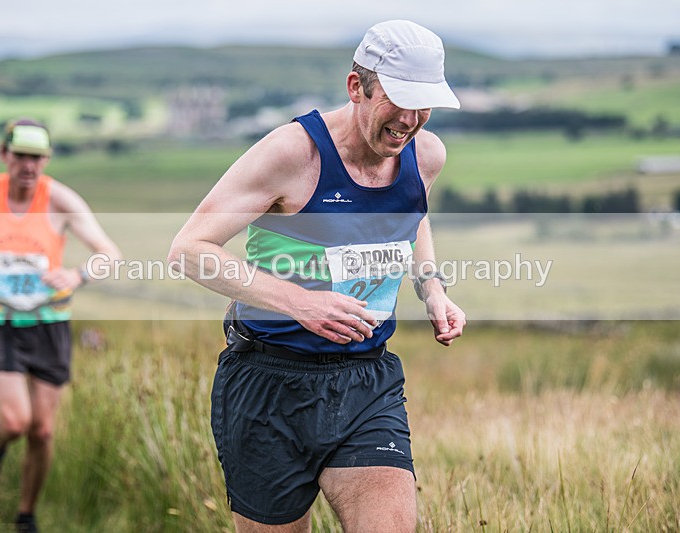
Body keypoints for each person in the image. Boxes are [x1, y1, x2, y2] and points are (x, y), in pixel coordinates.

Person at [168, 20, 466, 532]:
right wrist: (298, 302)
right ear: (356, 87)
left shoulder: (426, 155)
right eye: (399, 100)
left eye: (424, 104)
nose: (410, 120)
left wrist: (432, 287)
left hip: (366, 381)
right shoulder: (292, 154)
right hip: (268, 383)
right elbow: (189, 250)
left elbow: (411, 216)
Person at [0, 118, 121, 532]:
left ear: (47, 159)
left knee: (42, 431)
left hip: (49, 324)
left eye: (37, 157)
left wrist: (77, 274)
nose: (28, 166)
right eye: (21, 156)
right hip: (0, 321)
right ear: (4, 154)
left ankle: (26, 515)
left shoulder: (60, 201)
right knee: (14, 421)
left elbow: (109, 254)